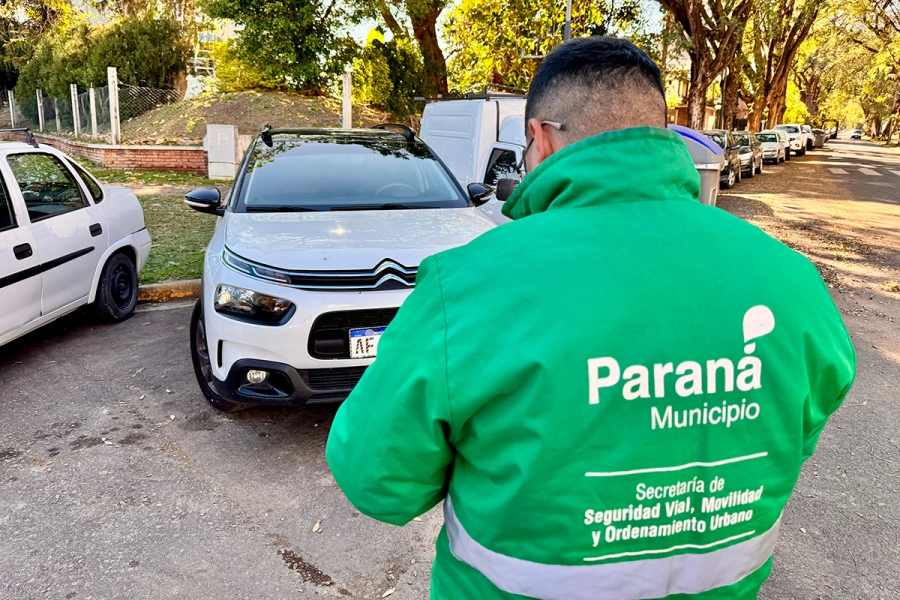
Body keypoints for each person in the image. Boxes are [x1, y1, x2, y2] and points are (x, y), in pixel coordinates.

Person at [326, 36, 856, 599]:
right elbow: (791, 433)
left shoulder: (465, 287)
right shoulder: (791, 283)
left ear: (541, 139)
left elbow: (377, 480)